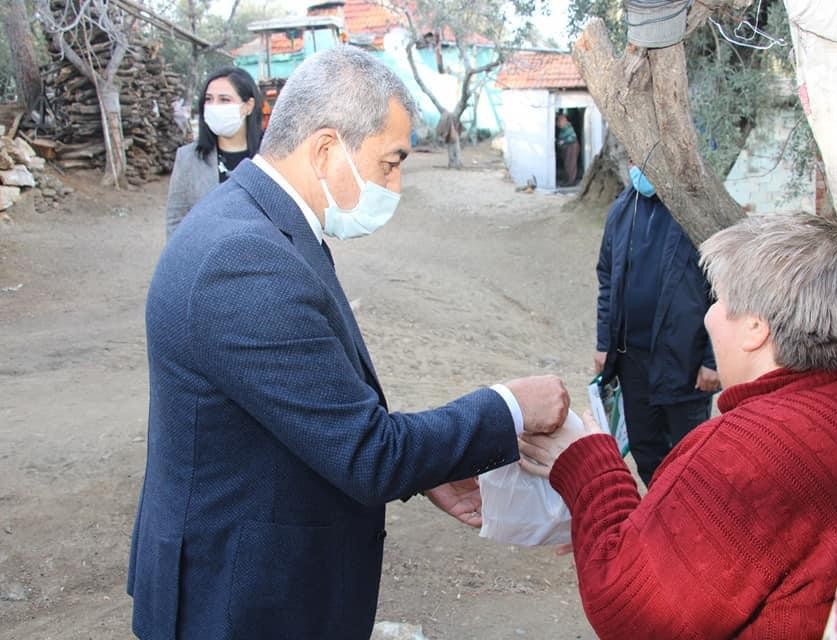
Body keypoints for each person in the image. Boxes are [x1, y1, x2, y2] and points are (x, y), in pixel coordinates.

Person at [127, 46, 570, 640]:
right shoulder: (245, 259)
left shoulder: (261, 225)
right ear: (328, 148)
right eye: (390, 162)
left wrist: (426, 466)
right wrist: (509, 406)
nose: (397, 183)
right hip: (238, 601)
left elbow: (319, 409)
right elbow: (368, 455)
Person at [520, 213, 837, 639]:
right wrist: (619, 525)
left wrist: (590, 469)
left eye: (717, 298)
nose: (709, 315)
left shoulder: (748, 447)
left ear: (755, 328)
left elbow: (631, 612)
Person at [594, 164, 718, 485]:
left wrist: (712, 359)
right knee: (645, 449)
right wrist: (604, 343)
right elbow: (607, 277)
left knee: (690, 454)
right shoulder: (623, 208)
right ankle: (662, 517)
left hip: (685, 363)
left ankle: (690, 524)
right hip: (631, 360)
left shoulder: (696, 214)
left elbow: (725, 290)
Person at [164, 67, 263, 238]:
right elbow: (176, 219)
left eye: (224, 100)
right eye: (209, 99)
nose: (214, 107)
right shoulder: (188, 158)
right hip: (207, 259)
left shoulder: (271, 157)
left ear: (248, 106)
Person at [555, 112, 579, 186]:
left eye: (559, 121)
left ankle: (571, 181)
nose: (558, 124)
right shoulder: (563, 129)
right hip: (566, 148)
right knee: (567, 164)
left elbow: (573, 137)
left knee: (571, 164)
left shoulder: (568, 127)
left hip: (571, 147)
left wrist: (564, 141)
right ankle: (568, 180)